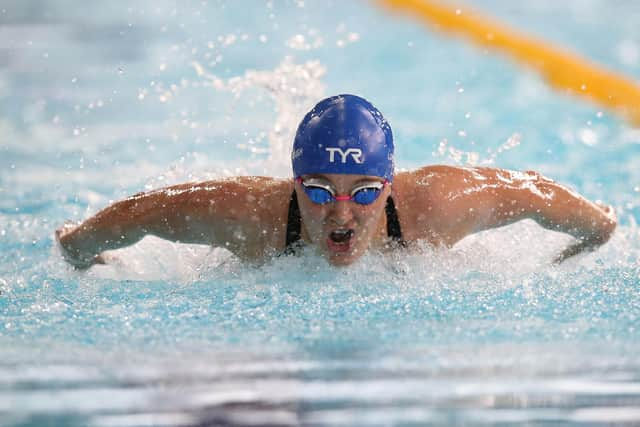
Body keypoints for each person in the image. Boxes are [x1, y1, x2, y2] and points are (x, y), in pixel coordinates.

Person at [56, 94, 616, 269]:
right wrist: (81, 249)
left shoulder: (439, 206)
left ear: (391, 185)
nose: (342, 212)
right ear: (294, 183)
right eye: (320, 191)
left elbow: (534, 193)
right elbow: (142, 213)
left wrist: (596, 233)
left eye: (365, 191)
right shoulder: (247, 215)